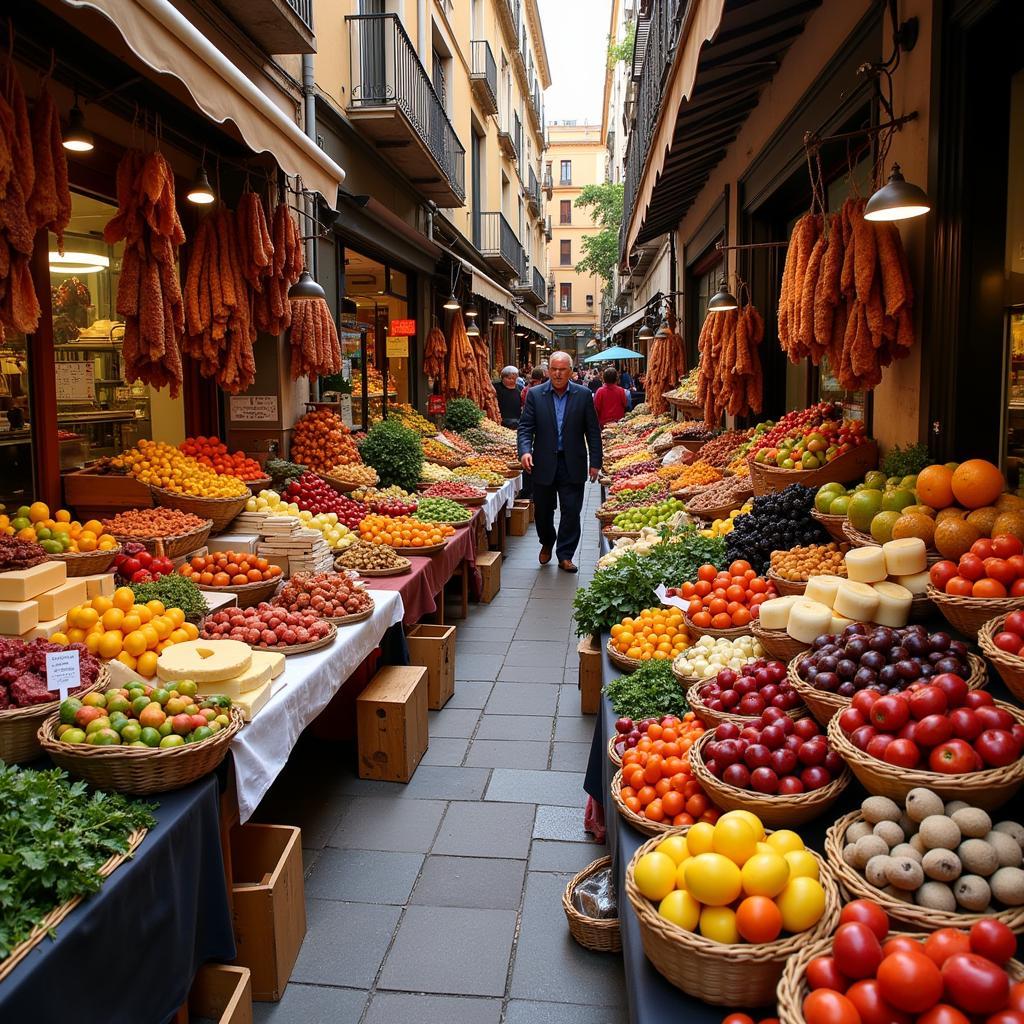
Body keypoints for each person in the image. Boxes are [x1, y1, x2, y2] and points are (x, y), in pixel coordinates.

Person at [517, 350, 602, 573]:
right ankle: (547, 540)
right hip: (543, 463)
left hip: (572, 462)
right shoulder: (535, 395)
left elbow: (592, 431)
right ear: (548, 371)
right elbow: (525, 428)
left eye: (562, 370)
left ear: (571, 372)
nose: (557, 374)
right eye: (554, 369)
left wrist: (595, 461)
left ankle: (565, 554)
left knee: (571, 511)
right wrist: (525, 451)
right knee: (543, 511)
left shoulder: (583, 395)